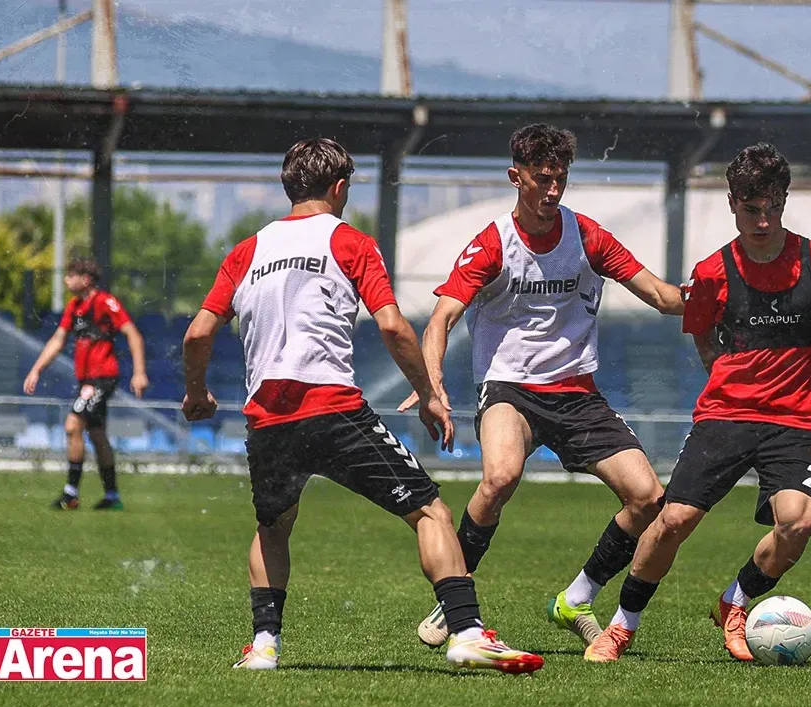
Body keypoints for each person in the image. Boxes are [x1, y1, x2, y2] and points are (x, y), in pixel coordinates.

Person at [181, 137, 543, 674]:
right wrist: (429, 394)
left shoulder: (246, 251)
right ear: (340, 187)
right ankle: (467, 633)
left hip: (268, 419)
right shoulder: (350, 241)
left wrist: (196, 392)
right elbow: (392, 326)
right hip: (332, 409)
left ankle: (263, 647)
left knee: (274, 525)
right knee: (431, 512)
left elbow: (197, 333)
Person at [401, 123, 684, 649]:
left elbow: (662, 297)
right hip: (509, 389)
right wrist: (431, 378)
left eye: (561, 179)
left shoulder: (588, 236)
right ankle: (453, 599)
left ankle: (577, 597)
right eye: (542, 179)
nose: (553, 190)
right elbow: (441, 318)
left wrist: (722, 294)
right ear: (517, 177)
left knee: (648, 498)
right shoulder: (492, 243)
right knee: (500, 477)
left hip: (577, 392)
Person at [583, 142, 811, 663]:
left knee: (800, 521)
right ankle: (622, 626)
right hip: (725, 415)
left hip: (797, 420)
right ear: (732, 203)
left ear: (784, 201)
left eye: (773, 208)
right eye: (752, 209)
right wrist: (726, 376)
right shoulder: (712, 272)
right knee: (673, 520)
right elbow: (701, 334)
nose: (763, 221)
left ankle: (735, 600)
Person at [25, 258, 149, 511]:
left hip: (102, 379)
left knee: (72, 426)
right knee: (97, 434)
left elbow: (133, 334)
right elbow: (58, 339)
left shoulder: (105, 302)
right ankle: (112, 496)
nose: (65, 280)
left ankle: (70, 494)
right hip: (87, 381)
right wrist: (36, 369)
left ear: (86, 279)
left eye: (71, 275)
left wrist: (139, 373)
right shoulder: (74, 307)